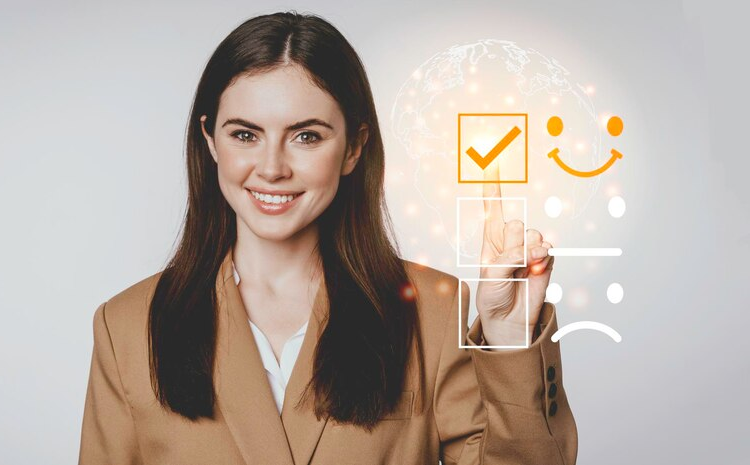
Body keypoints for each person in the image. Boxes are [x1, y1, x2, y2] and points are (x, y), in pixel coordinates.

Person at [78, 11, 578, 465]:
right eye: (245, 134)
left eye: (306, 136)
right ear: (210, 140)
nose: (271, 168)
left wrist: (510, 339)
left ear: (354, 147)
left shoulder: (430, 311)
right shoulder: (126, 327)